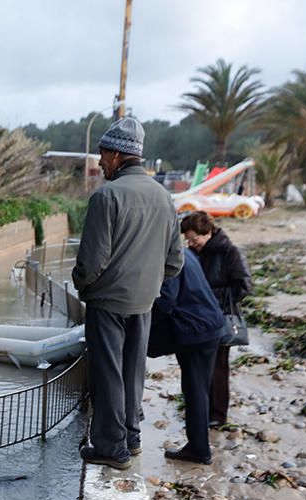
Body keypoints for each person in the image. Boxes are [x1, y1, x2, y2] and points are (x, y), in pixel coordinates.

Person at [72, 117, 185, 470]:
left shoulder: (106, 197)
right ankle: (132, 438)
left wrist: (82, 284)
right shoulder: (163, 197)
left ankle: (111, 448)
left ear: (117, 155)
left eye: (102, 155)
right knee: (133, 372)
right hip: (143, 302)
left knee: (107, 375)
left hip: (107, 302)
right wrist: (148, 284)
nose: (100, 163)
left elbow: (92, 261)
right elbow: (175, 261)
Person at [150, 248, 227, 464]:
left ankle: (199, 449)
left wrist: (144, 323)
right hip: (210, 325)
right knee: (200, 389)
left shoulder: (164, 256)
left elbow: (165, 300)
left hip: (195, 330)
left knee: (194, 391)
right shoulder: (185, 252)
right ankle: (199, 445)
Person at [180, 211, 252, 426]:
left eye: (195, 238)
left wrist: (210, 298)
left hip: (219, 318)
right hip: (196, 319)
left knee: (218, 367)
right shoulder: (193, 253)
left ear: (208, 232)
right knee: (198, 368)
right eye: (188, 239)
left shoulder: (230, 252)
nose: (191, 243)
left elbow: (244, 286)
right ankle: (201, 411)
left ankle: (218, 415)